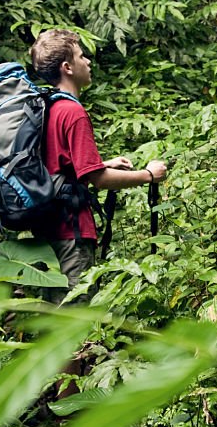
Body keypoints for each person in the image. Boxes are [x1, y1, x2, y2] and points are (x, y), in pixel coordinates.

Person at [30, 29, 168, 300]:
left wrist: (102, 162)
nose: (88, 62)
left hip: (46, 229)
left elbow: (57, 166)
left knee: (51, 314)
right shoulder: (73, 112)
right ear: (67, 67)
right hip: (71, 231)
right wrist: (149, 175)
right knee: (74, 316)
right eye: (82, 56)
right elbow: (99, 179)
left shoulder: (48, 106)